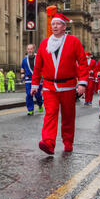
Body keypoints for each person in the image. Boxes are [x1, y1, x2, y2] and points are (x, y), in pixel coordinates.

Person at [31, 13, 88, 155]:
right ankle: (49, 143)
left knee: (68, 116)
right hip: (49, 87)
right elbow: (38, 66)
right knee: (50, 113)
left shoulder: (73, 41)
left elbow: (82, 62)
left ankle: (68, 142)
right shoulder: (45, 43)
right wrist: (35, 84)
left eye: (58, 24)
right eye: (53, 24)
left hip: (68, 86)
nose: (55, 26)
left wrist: (82, 83)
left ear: (64, 26)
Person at [21, 44, 43, 116]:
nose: (30, 50)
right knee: (29, 94)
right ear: (27, 50)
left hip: (37, 79)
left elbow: (43, 67)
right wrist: (22, 74)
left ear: (34, 49)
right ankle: (30, 110)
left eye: (31, 49)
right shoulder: (24, 60)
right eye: (28, 49)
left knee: (37, 94)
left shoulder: (39, 58)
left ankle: (40, 104)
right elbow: (22, 68)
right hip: (28, 79)